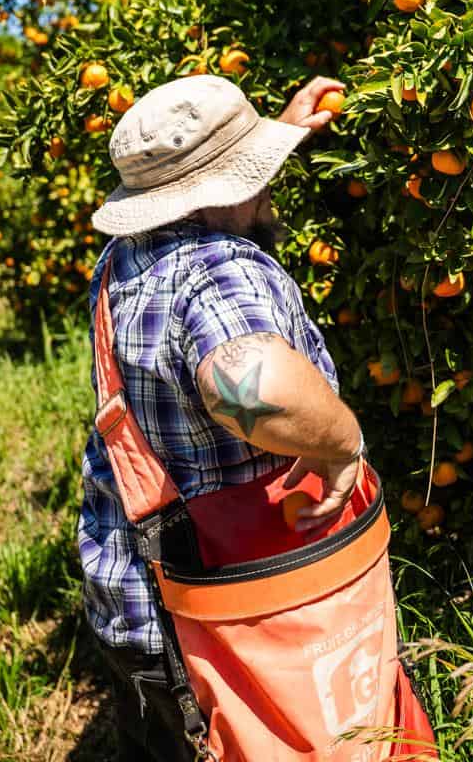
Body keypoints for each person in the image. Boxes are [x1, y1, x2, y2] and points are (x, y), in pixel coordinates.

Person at [80, 72, 367, 761]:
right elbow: (252, 380)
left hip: (133, 597)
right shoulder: (220, 268)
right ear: (226, 187)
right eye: (256, 172)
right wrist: (343, 445)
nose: (267, 185)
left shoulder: (124, 258)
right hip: (224, 620)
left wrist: (285, 130)